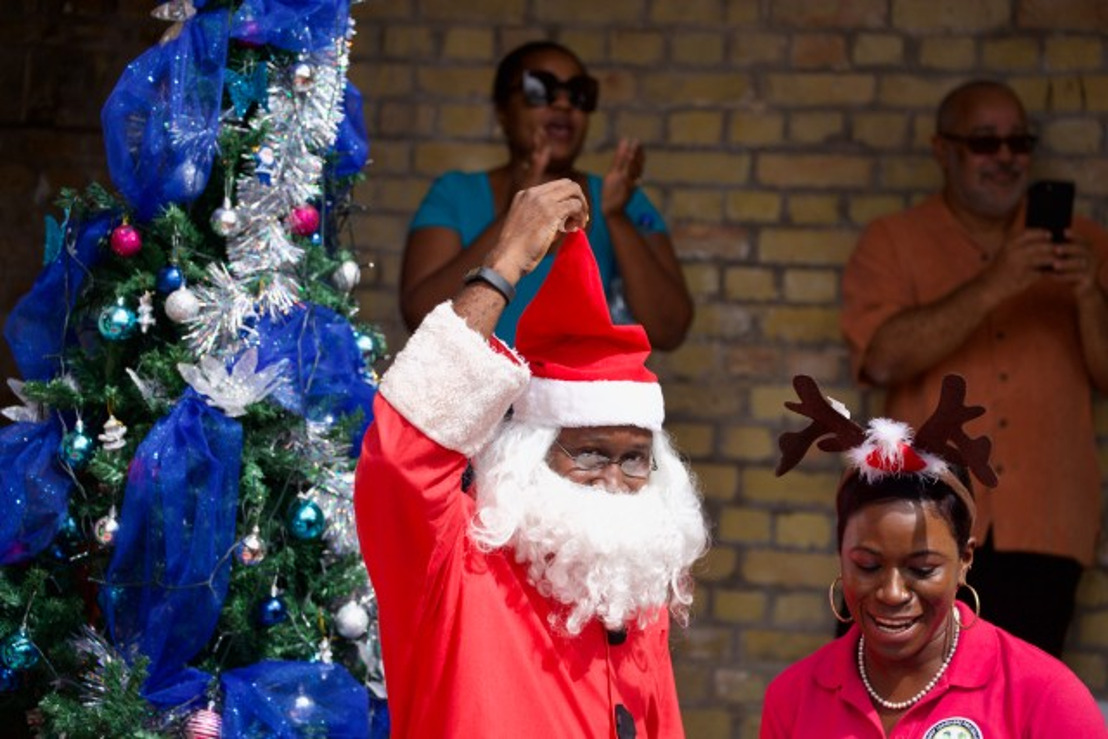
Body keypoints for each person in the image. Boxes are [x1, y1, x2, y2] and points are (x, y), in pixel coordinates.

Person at [355, 179, 709, 737]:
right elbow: (402, 454)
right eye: (590, 454)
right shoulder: (455, 559)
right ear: (529, 455)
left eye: (636, 460)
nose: (614, 482)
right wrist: (504, 264)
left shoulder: (631, 578)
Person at [840, 78, 1108, 657]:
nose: (1007, 157)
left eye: (1020, 142)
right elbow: (883, 355)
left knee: (1018, 708)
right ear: (944, 150)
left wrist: (1089, 294)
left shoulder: (1087, 244)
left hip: (1046, 523)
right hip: (913, 524)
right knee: (880, 701)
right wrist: (997, 284)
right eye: (986, 143)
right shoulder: (894, 240)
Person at [761, 374, 1107, 738]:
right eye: (868, 565)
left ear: (965, 560)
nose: (892, 593)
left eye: (922, 569)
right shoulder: (794, 696)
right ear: (840, 554)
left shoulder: (1045, 696)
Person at [398, 40, 693, 349]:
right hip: (477, 397)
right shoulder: (454, 193)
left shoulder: (620, 198)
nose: (564, 105)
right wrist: (515, 219)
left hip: (579, 398)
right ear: (502, 111)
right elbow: (421, 319)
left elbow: (669, 331)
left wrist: (616, 218)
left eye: (579, 93)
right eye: (540, 89)